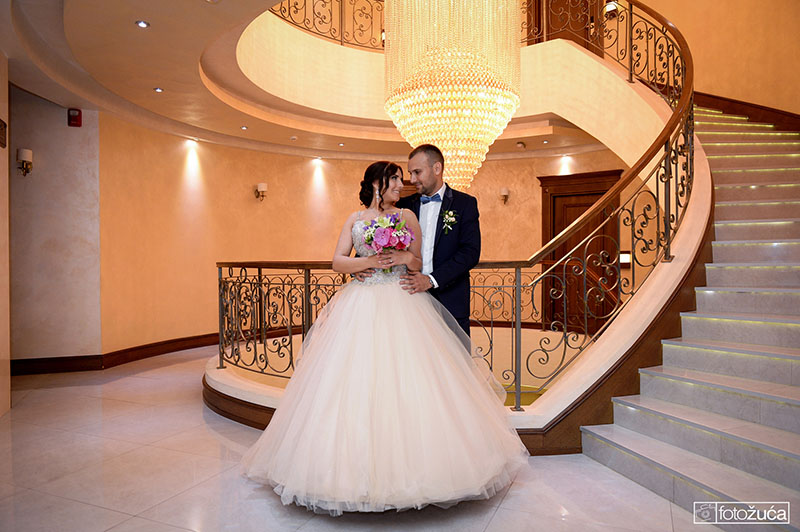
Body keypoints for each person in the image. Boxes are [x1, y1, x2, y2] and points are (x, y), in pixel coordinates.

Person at [241, 161, 527, 516]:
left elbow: (418, 263)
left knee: (412, 380)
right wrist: (367, 263)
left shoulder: (406, 217)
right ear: (377, 184)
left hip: (403, 299)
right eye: (394, 179)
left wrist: (405, 256)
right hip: (361, 303)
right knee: (352, 382)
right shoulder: (354, 219)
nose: (400, 184)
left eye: (401, 178)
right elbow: (337, 261)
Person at [397, 144, 480, 336]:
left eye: (417, 172)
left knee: (455, 354)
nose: (412, 179)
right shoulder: (404, 206)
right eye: (410, 173)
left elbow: (470, 252)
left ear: (437, 168)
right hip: (409, 298)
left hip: (450, 299)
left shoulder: (465, 204)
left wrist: (431, 280)